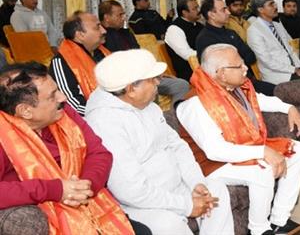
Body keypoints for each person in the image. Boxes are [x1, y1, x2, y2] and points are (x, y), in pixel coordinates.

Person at [86, 49, 233, 235]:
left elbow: (177, 147)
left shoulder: (149, 106)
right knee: (167, 224)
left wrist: (196, 183)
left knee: (215, 190)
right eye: (152, 79)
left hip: (176, 189)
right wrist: (186, 205)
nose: (158, 82)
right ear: (131, 89)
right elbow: (131, 190)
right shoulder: (104, 122)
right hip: (142, 204)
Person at [177, 44, 300, 234]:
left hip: (239, 149)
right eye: (239, 66)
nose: (246, 69)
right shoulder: (196, 103)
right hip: (211, 165)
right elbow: (215, 150)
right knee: (263, 171)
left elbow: (260, 100)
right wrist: (263, 151)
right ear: (221, 73)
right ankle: (259, 229)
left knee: (299, 151)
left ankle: (279, 220)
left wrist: (289, 108)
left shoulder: (234, 88)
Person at [0, 62, 142, 234]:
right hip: (48, 215)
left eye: (58, 89)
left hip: (89, 203)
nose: (63, 98)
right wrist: (55, 190)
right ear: (25, 111)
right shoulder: (4, 136)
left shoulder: (63, 113)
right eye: (53, 96)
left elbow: (98, 153)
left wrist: (86, 186)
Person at [99, 0, 191, 105]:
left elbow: (139, 56)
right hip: (127, 80)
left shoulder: (126, 33)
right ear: (107, 17)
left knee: (181, 84)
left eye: (124, 14)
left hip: (144, 74)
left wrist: (156, 73)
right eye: (120, 15)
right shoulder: (102, 38)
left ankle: (175, 117)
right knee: (149, 87)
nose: (124, 18)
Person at [196, 0, 275, 96]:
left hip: (246, 81)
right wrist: (239, 60)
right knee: (279, 94)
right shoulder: (205, 38)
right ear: (212, 15)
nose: (228, 12)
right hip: (230, 89)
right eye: (223, 9)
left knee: (280, 90)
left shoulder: (230, 33)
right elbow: (220, 72)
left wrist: (236, 63)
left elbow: (251, 57)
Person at [49, 11, 110, 116]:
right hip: (90, 120)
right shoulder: (61, 61)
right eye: (97, 27)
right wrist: (108, 113)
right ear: (80, 35)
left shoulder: (103, 53)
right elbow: (71, 104)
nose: (104, 31)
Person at [247, 0, 300, 85]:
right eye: (271, 4)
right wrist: (294, 69)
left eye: (274, 3)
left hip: (294, 70)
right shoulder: (254, 30)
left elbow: (290, 50)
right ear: (260, 9)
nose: (276, 7)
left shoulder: (277, 25)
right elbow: (267, 61)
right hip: (278, 75)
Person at [165, 0, 203, 81]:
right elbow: (187, 55)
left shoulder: (199, 26)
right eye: (195, 8)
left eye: (198, 7)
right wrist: (210, 55)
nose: (199, 10)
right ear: (185, 12)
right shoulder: (174, 29)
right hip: (188, 73)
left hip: (203, 66)